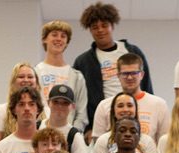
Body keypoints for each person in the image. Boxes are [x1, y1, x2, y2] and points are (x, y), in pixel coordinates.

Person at [73, 1, 153, 135]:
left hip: (135, 114)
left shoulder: (132, 51)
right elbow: (80, 99)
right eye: (95, 27)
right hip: (103, 119)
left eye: (104, 25)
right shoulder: (83, 61)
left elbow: (146, 84)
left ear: (112, 26)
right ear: (90, 30)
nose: (100, 30)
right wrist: (88, 128)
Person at [91, 53, 170, 142]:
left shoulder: (159, 104)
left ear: (142, 75)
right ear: (118, 76)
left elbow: (165, 142)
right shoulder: (104, 105)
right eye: (125, 74)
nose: (129, 77)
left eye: (134, 73)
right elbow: (98, 143)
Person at [35, 20, 89, 131]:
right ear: (44, 39)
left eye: (63, 36)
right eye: (54, 35)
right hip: (40, 134)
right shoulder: (35, 73)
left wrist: (72, 135)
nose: (59, 39)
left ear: (67, 42)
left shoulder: (76, 76)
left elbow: (81, 114)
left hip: (68, 137)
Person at [0, 86, 45, 153]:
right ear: (14, 110)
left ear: (38, 109)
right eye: (21, 104)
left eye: (31, 104)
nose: (27, 108)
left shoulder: (50, 146)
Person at [0, 63, 41, 145]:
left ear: (37, 82)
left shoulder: (47, 111)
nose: (26, 80)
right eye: (21, 77)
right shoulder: (1, 110)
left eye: (30, 77)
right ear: (13, 82)